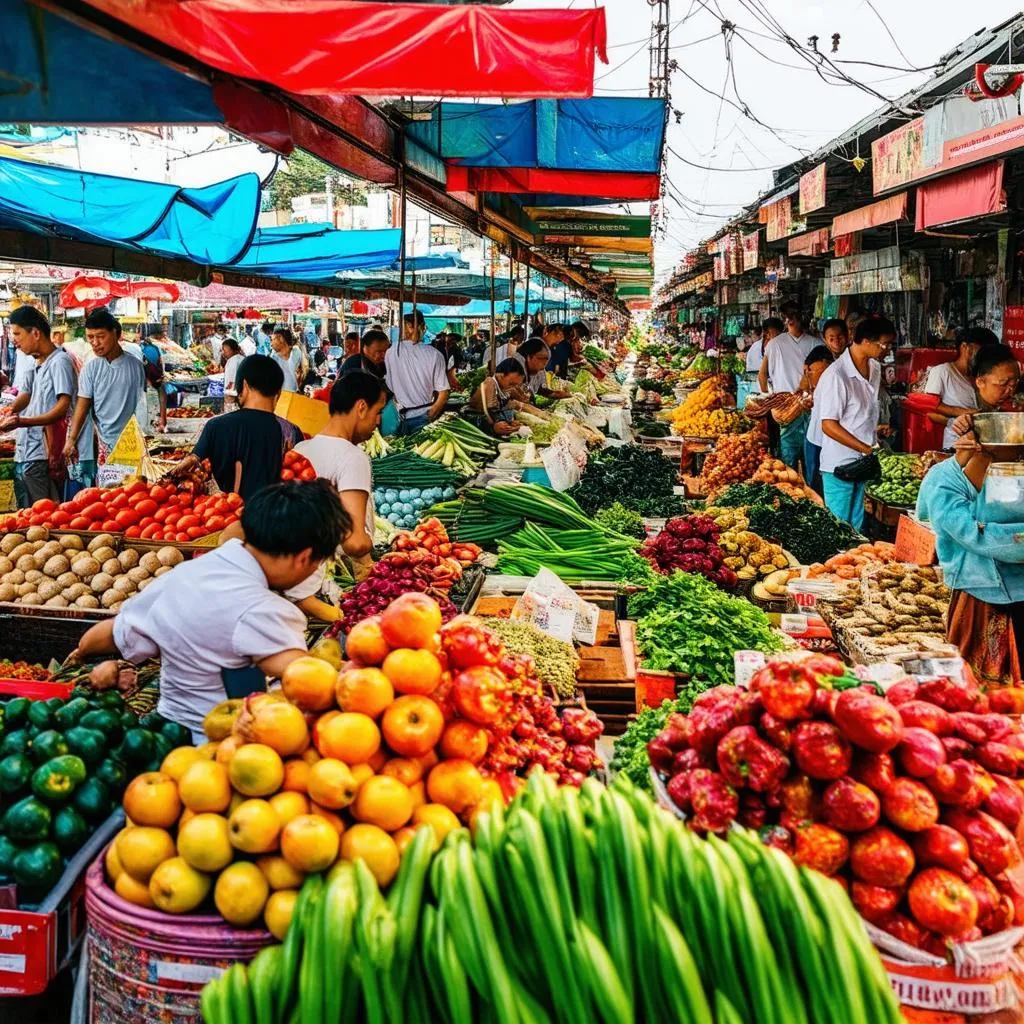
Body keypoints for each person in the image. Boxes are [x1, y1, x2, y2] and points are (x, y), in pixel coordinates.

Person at [72, 480, 350, 741]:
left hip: (169, 728)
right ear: (304, 558)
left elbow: (110, 634)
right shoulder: (264, 609)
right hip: (221, 746)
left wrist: (81, 656)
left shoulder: (183, 575)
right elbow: (306, 681)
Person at [917, 403, 1024, 687]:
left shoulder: (1012, 477)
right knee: (975, 690)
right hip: (979, 595)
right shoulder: (948, 478)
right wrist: (962, 459)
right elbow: (951, 523)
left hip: (1004, 594)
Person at [285, 372, 387, 617]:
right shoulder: (352, 457)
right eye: (378, 412)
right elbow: (354, 541)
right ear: (361, 407)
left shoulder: (302, 449)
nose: (378, 422)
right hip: (329, 585)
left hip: (298, 581)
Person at [815, 316, 895, 530]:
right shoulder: (837, 375)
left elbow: (858, 414)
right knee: (838, 528)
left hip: (865, 463)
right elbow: (829, 425)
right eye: (884, 344)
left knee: (857, 528)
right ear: (866, 341)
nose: (888, 350)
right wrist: (865, 448)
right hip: (840, 464)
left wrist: (874, 432)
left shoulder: (875, 369)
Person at [0, 307, 82, 504]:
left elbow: (63, 406)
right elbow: (25, 395)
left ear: (35, 333)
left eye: (18, 334)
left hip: (44, 452)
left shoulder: (60, 361)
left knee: (45, 511)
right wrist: (9, 411)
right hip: (26, 450)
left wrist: (22, 421)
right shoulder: (33, 362)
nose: (15, 341)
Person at [192, 355, 303, 501]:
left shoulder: (215, 426)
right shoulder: (292, 432)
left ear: (243, 385)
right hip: (279, 517)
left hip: (228, 517)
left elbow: (195, 472)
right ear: (279, 393)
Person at [64, 309, 146, 465]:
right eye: (90, 338)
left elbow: (142, 404)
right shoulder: (90, 369)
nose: (95, 343)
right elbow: (82, 406)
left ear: (116, 334)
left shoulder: (136, 366)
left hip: (133, 442)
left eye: (100, 337)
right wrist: (71, 440)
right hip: (104, 443)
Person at [925, 327, 999, 448]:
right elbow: (929, 409)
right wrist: (962, 416)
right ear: (965, 347)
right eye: (981, 351)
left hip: (982, 442)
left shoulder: (979, 376)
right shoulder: (942, 372)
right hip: (956, 445)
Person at [384, 309, 449, 435]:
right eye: (424, 326)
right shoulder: (435, 354)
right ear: (416, 326)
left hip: (398, 414)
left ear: (408, 326)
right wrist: (432, 413)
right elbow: (444, 392)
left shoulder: (391, 352)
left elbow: (390, 386)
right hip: (423, 415)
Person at [759, 305, 817, 394]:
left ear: (802, 318)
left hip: (809, 400)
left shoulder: (816, 343)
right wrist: (767, 398)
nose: (791, 320)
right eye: (788, 317)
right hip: (781, 401)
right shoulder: (774, 344)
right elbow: (762, 373)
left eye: (794, 316)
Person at [465, 358, 530, 437]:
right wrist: (495, 426)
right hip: (474, 423)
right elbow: (491, 408)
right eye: (511, 384)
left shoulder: (504, 388)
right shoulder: (490, 382)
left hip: (487, 424)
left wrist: (509, 422)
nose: (513, 388)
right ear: (501, 375)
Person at [137, 326, 169, 433]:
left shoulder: (145, 349)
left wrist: (163, 419)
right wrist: (163, 420)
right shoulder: (152, 349)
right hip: (148, 404)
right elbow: (160, 384)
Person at [271, 326, 303, 393]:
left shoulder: (296, 352)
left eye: (273, 340)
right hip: (283, 394)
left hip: (290, 393)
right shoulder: (274, 356)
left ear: (281, 339)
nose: (271, 343)